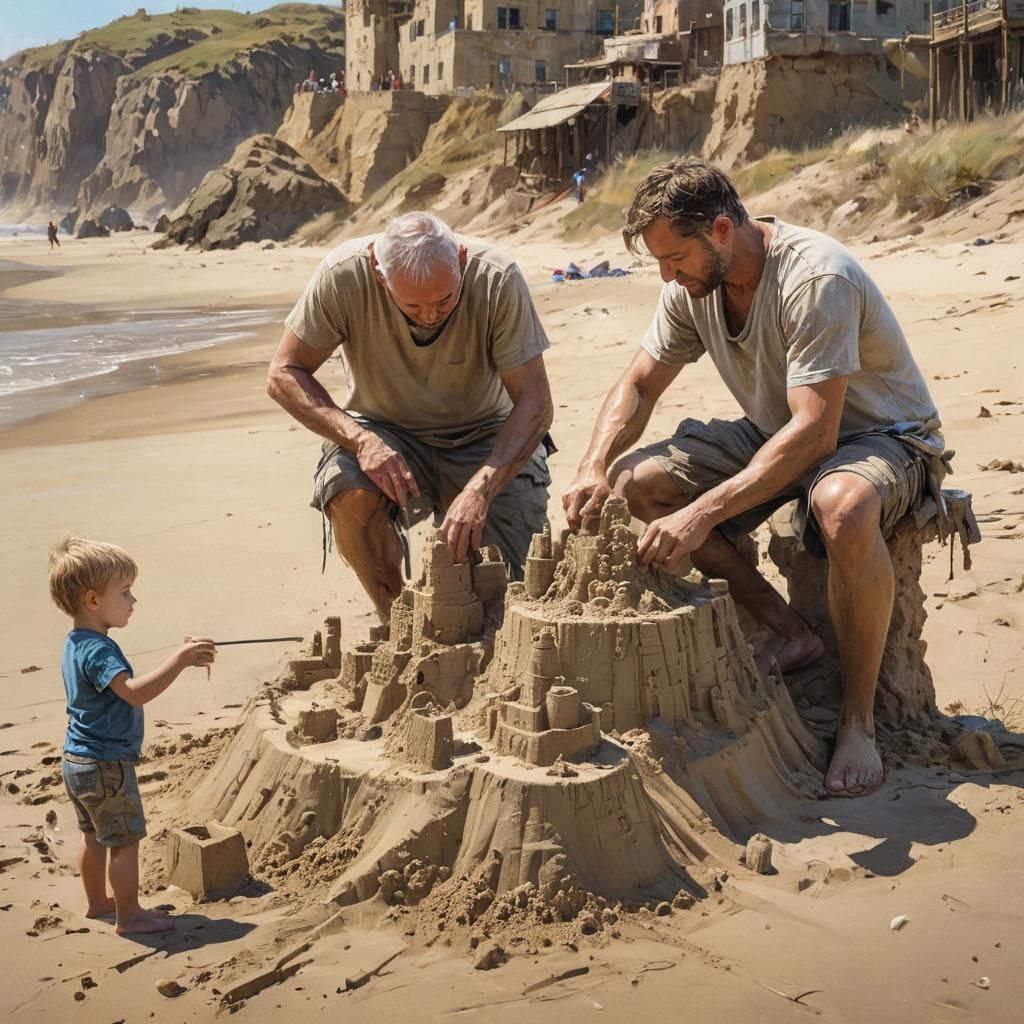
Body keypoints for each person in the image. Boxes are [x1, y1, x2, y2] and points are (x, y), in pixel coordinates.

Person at [563, 157, 949, 798]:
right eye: (659, 262)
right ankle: (786, 630)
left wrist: (702, 512)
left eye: (675, 258)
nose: (667, 276)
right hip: (778, 426)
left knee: (841, 505)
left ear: (720, 229)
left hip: (878, 435)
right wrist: (592, 462)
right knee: (638, 483)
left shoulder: (814, 276)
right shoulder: (693, 287)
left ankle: (860, 721)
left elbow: (819, 434)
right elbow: (638, 383)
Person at [268, 212, 554, 626]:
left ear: (460, 259)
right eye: (413, 305)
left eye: (443, 300)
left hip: (486, 435)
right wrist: (360, 440)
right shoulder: (343, 275)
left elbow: (535, 402)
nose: (430, 315)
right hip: (385, 431)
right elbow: (283, 373)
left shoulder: (497, 277)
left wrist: (481, 490)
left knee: (513, 587)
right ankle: (400, 624)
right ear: (380, 276)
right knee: (348, 491)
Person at [48, 537, 216, 934]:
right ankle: (129, 915)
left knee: (93, 837)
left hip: (76, 761)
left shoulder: (75, 644)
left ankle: (98, 904)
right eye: (124, 593)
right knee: (124, 841)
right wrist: (180, 661)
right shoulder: (101, 652)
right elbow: (135, 693)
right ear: (92, 600)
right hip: (106, 764)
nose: (133, 601)